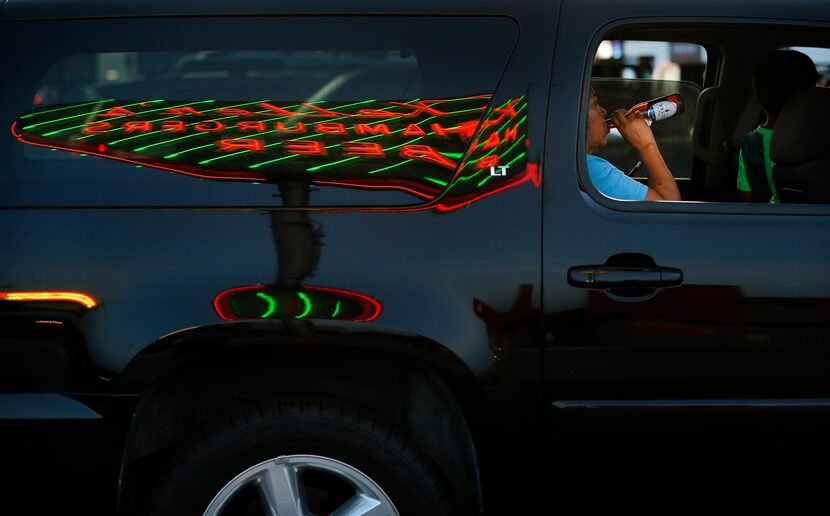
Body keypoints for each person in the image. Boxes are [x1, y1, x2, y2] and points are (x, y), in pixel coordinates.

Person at [737, 49, 818, 203]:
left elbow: (747, 201)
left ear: (757, 91)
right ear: (809, 95)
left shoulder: (751, 144)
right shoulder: (820, 142)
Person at [586, 87, 681, 201]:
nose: (603, 111)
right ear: (577, 118)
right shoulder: (591, 169)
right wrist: (646, 145)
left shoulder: (577, 165)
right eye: (595, 104)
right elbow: (669, 208)